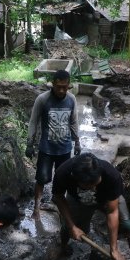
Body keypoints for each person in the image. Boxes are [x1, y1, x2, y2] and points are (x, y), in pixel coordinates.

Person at [26, 69, 81, 220]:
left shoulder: (71, 99)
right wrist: (29, 143)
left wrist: (77, 142)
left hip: (65, 149)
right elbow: (33, 122)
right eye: (58, 87)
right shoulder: (42, 99)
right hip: (47, 149)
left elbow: (74, 121)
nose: (62, 90)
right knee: (41, 178)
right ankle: (36, 208)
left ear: (69, 86)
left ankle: (56, 202)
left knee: (63, 178)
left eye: (65, 87)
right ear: (52, 85)